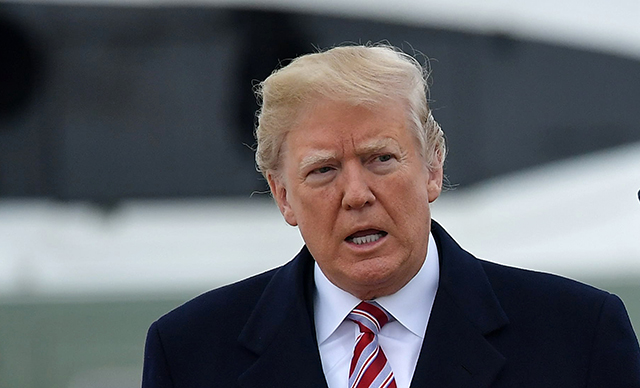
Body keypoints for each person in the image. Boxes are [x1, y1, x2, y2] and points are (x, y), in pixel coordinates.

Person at [142, 44, 640, 387]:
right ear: (283, 196)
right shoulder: (189, 351)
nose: (356, 194)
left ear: (433, 168)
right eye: (324, 170)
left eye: (381, 159)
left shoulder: (579, 334)